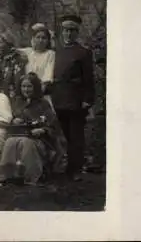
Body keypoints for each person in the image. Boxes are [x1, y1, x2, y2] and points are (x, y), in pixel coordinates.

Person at [0, 73, 65, 186]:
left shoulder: (43, 103)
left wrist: (43, 130)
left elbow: (54, 125)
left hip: (41, 139)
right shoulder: (17, 102)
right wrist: (14, 120)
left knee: (26, 143)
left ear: (35, 88)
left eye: (29, 86)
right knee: (10, 142)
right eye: (23, 86)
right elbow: (11, 119)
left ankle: (32, 176)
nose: (26, 89)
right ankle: (8, 175)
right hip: (20, 134)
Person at [50, 14, 95, 181]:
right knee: (62, 135)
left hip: (75, 100)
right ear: (62, 32)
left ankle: (75, 169)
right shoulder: (57, 52)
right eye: (66, 31)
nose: (68, 34)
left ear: (77, 32)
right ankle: (63, 167)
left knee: (76, 136)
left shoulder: (83, 52)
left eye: (72, 31)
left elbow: (89, 79)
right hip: (58, 98)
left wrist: (87, 100)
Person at [17, 23, 56, 104]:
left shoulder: (50, 54)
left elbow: (48, 76)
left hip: (41, 93)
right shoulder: (28, 52)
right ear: (33, 39)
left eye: (44, 38)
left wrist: (38, 93)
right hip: (26, 91)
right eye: (38, 37)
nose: (40, 40)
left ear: (48, 40)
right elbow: (11, 50)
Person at [0, 31, 27, 101]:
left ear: (9, 44)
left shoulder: (17, 59)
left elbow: (18, 80)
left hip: (11, 95)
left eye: (1, 42)